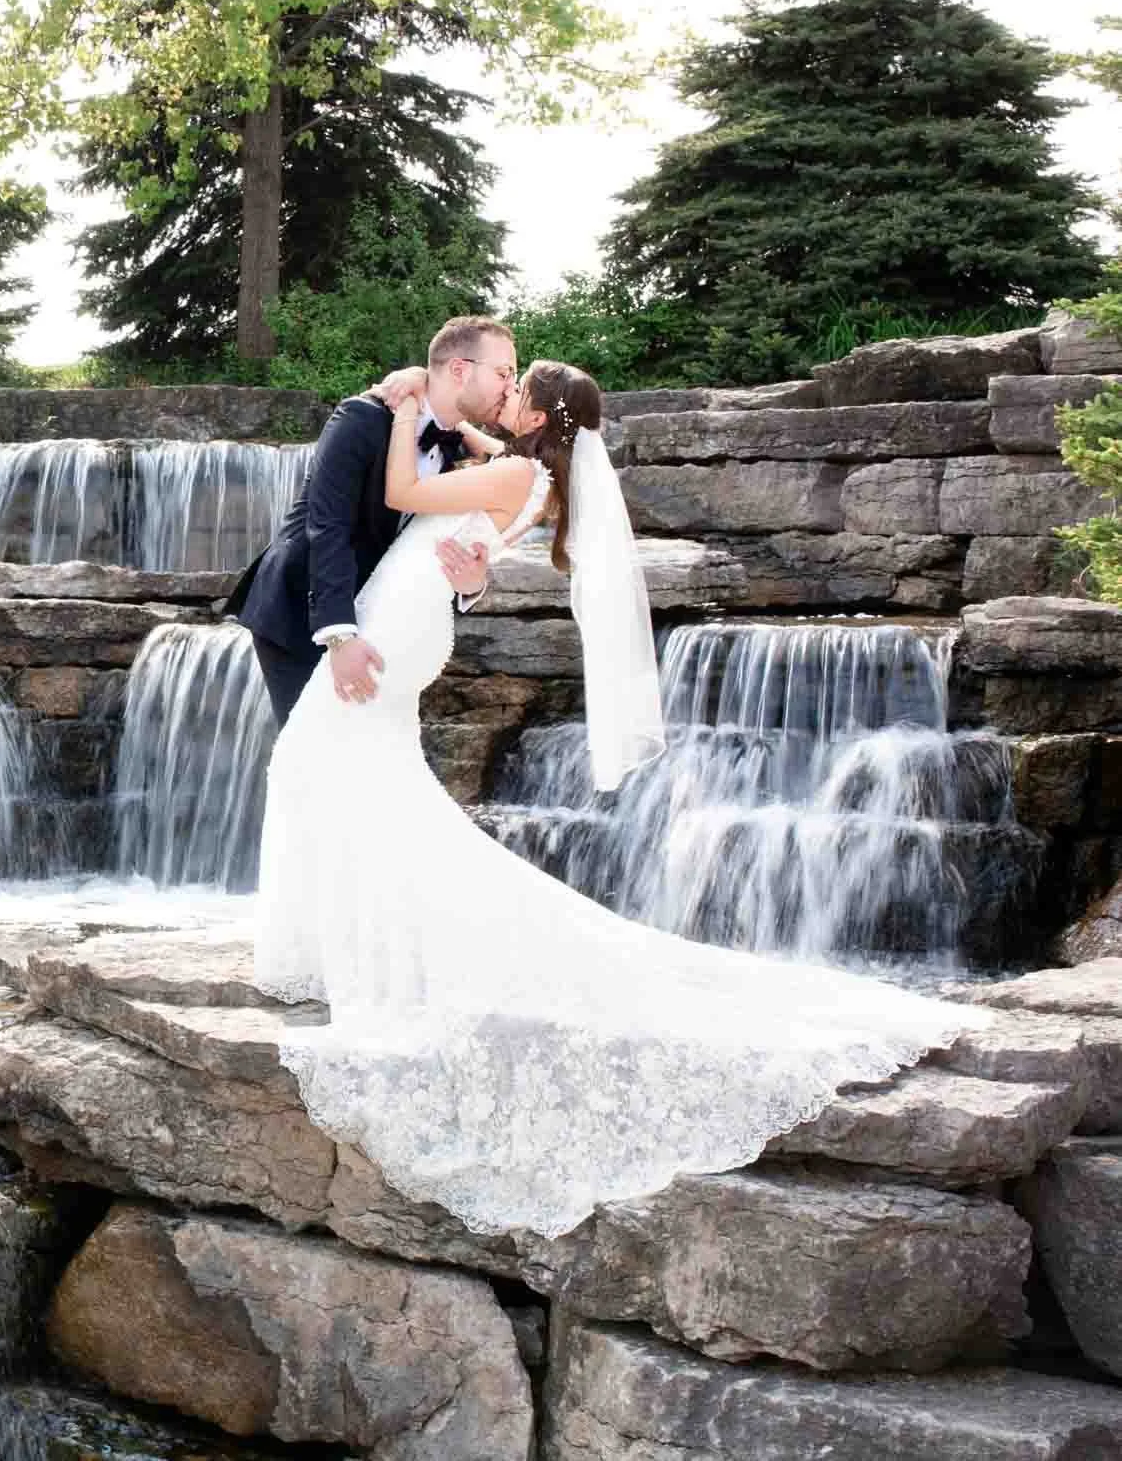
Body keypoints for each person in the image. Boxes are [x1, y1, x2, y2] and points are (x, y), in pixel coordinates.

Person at [251, 358, 984, 1238]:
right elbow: (480, 485)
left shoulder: (521, 468)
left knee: (323, 772)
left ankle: (370, 940)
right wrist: (467, 531)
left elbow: (406, 489)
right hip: (414, 617)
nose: (508, 392)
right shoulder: (540, 472)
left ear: (543, 413)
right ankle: (345, 938)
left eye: (521, 387)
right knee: (349, 778)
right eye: (505, 376)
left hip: (401, 620)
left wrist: (403, 408)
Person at [224, 315, 517, 725]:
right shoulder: (361, 418)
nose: (510, 386)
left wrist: (471, 586)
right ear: (459, 369)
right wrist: (340, 638)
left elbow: (428, 548)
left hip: (377, 619)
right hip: (301, 608)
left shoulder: (458, 449)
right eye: (504, 372)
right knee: (314, 755)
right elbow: (328, 526)